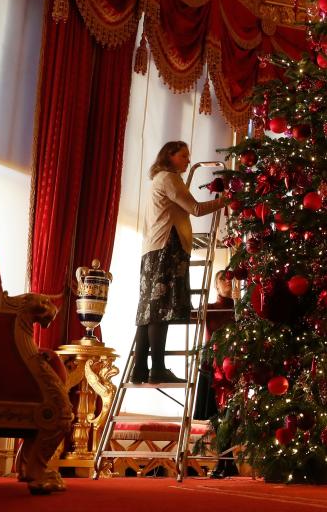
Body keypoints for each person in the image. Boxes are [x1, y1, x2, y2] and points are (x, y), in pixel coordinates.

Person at [133, 141, 227, 385]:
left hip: (153, 249)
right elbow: (195, 208)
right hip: (167, 247)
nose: (187, 160)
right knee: (160, 310)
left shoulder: (159, 180)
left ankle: (140, 368)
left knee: (149, 311)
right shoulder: (169, 178)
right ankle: (158, 368)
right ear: (169, 156)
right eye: (183, 156)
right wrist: (224, 200)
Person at [193, 271, 237, 478]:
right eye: (222, 279)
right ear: (216, 286)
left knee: (230, 416)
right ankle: (226, 462)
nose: (227, 282)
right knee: (217, 417)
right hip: (212, 367)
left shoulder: (241, 310)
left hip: (234, 369)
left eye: (230, 278)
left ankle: (227, 462)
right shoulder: (209, 309)